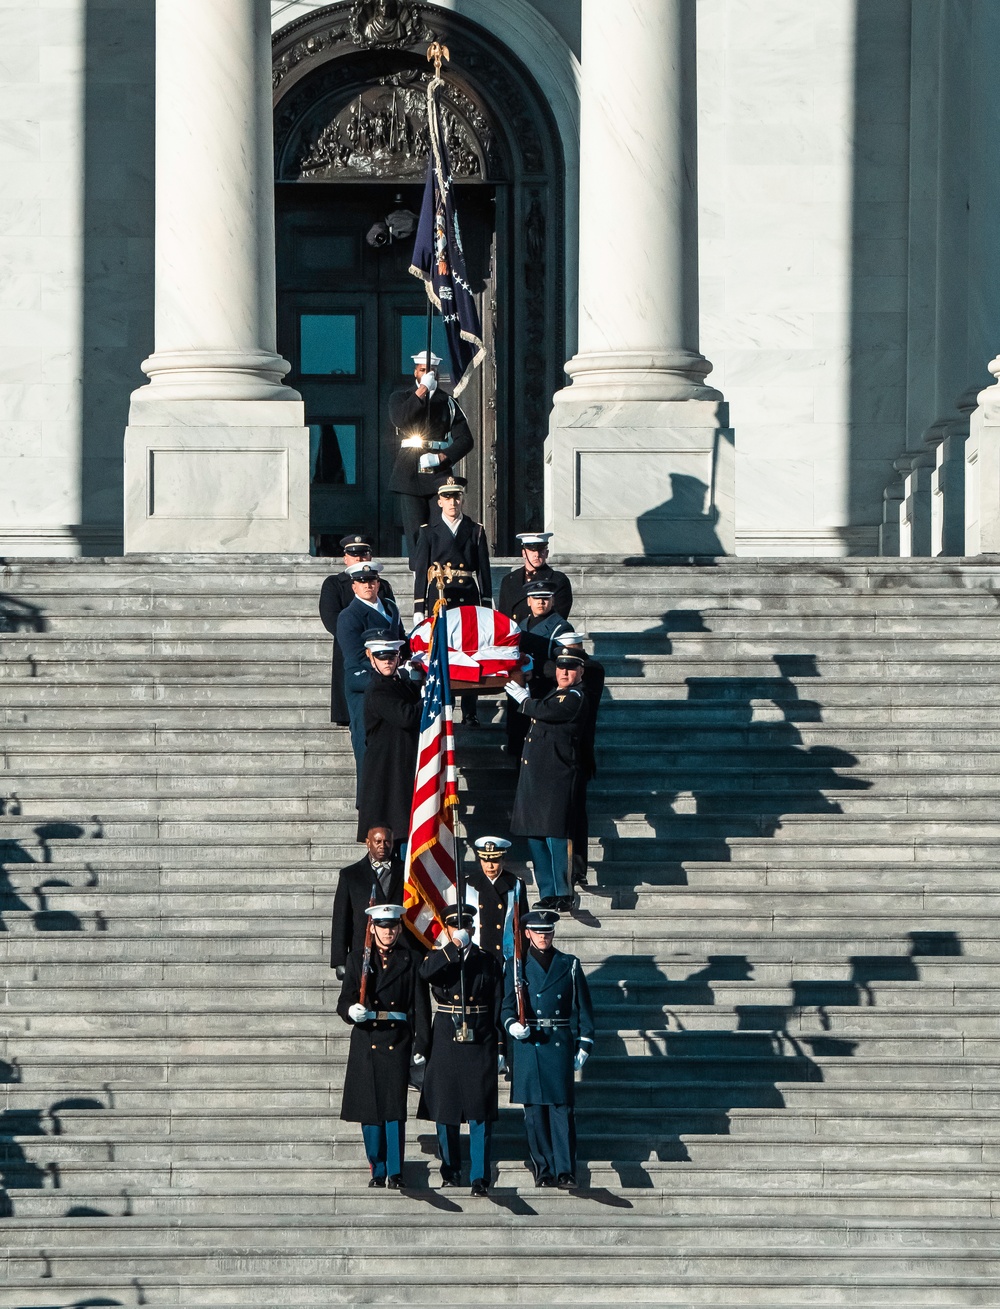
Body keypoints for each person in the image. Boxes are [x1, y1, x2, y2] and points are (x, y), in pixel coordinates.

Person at [337, 902, 430, 1189]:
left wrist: (421, 1043)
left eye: (392, 927)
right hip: (367, 1038)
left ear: (399, 928)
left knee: (393, 1108)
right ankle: (377, 1168)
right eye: (382, 926)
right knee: (370, 1109)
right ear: (373, 928)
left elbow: (420, 1006)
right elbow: (344, 999)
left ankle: (395, 1169)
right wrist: (351, 1011)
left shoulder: (410, 958)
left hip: (397, 1038)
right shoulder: (358, 961)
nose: (388, 932)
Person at [502, 908, 595, 1189]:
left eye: (548, 931)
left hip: (558, 1041)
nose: (544, 936)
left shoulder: (569, 963)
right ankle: (543, 1169)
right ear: (527, 933)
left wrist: (584, 1044)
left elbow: (584, 1009)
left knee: (561, 1109)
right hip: (529, 1043)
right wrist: (510, 1024)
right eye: (538, 931)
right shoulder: (515, 965)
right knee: (534, 1112)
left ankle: (565, 1170)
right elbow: (506, 1004)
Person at [418, 902, 504, 1195]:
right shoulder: (439, 957)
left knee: (480, 1111)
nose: (461, 931)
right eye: (455, 927)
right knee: (446, 1109)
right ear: (446, 928)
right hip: (446, 1032)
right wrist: (452, 949)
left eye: (466, 927)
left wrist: (501, 1044)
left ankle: (480, 1175)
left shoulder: (488, 960)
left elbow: (497, 1002)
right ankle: (450, 1170)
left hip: (479, 1035)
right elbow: (426, 973)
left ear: (474, 928)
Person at [505, 654, 589, 913]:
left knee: (556, 834)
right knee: (536, 835)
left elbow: (548, 712)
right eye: (561, 668)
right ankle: (548, 891)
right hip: (538, 775)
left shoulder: (574, 696)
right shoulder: (555, 693)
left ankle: (563, 891)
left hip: (556, 775)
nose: (564, 673)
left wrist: (525, 699)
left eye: (571, 669)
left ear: (581, 671)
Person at [412, 475, 492, 727]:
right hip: (441, 598)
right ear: (439, 502)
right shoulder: (428, 532)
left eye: (456, 496)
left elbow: (484, 571)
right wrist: (418, 606)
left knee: (469, 651)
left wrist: (487, 603)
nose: (452, 502)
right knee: (443, 652)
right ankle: (446, 705)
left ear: (462, 500)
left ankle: (470, 710)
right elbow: (420, 570)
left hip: (468, 596)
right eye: (447, 497)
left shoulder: (475, 529)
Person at [387, 351, 474, 553]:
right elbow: (400, 419)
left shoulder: (448, 402)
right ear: (415, 372)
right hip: (409, 473)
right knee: (416, 531)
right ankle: (419, 575)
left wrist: (442, 457)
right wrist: (422, 391)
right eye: (423, 370)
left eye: (432, 371)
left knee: (441, 527)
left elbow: (465, 439)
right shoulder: (400, 398)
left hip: (438, 473)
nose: (427, 374)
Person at [335, 561, 405, 786]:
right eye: (361, 582)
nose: (368, 586)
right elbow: (355, 659)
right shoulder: (349, 616)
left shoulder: (390, 608)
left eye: (372, 581)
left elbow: (402, 641)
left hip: (392, 686)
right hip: (366, 688)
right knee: (369, 751)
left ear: (378, 583)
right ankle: (367, 807)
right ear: (353, 586)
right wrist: (389, 676)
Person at [318, 535, 395, 726]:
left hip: (382, 654)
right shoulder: (333, 584)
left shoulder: (382, 585)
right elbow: (332, 620)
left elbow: (391, 620)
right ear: (345, 559)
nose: (360, 559)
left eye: (364, 555)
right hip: (351, 652)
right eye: (354, 555)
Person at [356, 637, 422, 848]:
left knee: (403, 827)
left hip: (400, 764)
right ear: (372, 659)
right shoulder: (377, 689)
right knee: (392, 831)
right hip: (385, 771)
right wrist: (430, 697)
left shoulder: (398, 684)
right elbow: (406, 716)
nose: (387, 662)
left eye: (391, 657)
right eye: (381, 658)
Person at [552, 631, 606, 887]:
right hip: (552, 756)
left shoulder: (591, 674)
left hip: (577, 755)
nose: (563, 667)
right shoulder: (558, 674)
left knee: (574, 814)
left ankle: (577, 869)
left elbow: (591, 667)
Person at [506, 581, 572, 762]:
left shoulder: (562, 628)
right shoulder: (520, 625)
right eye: (536, 598)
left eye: (545, 598)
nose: (541, 602)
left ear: (553, 601)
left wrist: (535, 671)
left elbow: (564, 667)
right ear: (528, 601)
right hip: (521, 692)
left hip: (544, 693)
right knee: (519, 747)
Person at [330, 825, 404, 979]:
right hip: (363, 953)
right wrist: (340, 960)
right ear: (368, 843)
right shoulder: (350, 875)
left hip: (400, 952)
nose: (382, 846)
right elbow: (341, 920)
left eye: (387, 842)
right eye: (377, 841)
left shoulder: (408, 872)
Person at [466, 836, 530, 967]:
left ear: (503, 861)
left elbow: (523, 922)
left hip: (505, 955)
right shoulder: (468, 884)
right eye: (485, 860)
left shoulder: (515, 884)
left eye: (495, 861)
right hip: (476, 954)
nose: (489, 866)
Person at [497, 532, 573, 625]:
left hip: (542, 636)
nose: (537, 554)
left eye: (541, 550)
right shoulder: (509, 580)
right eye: (532, 550)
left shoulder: (558, 580)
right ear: (524, 553)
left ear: (547, 553)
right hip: (516, 636)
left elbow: (558, 618)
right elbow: (503, 617)